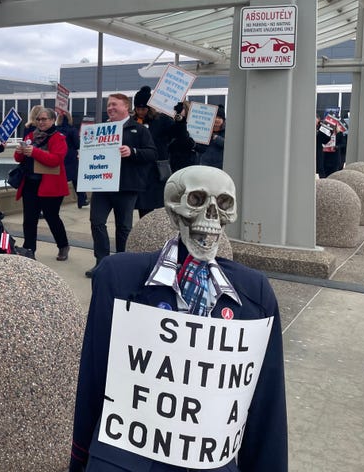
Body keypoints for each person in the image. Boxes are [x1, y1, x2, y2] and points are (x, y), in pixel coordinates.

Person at [70, 166, 287, 471]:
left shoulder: (255, 295)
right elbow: (94, 383)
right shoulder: (117, 278)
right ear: (174, 211)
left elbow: (266, 409)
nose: (211, 216)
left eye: (222, 205)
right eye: (197, 201)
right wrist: (80, 460)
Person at [86, 94, 157, 277]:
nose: (110, 108)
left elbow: (151, 154)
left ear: (126, 107)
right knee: (97, 222)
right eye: (108, 105)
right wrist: (86, 157)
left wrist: (132, 151)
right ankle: (101, 262)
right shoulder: (100, 129)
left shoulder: (139, 130)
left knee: (124, 227)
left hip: (127, 185)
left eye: (114, 104)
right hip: (102, 184)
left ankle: (122, 263)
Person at [13, 107, 71, 261]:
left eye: (44, 119)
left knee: (52, 217)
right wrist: (19, 151)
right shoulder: (31, 135)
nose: (41, 122)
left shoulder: (58, 137)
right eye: (38, 119)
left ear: (52, 120)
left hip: (50, 186)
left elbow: (55, 160)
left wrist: (34, 152)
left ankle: (63, 245)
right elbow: (18, 159)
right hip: (31, 184)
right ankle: (29, 249)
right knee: (29, 219)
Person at [132, 86, 174, 217]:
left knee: (159, 206)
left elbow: (176, 133)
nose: (140, 112)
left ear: (149, 108)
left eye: (143, 109)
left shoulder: (162, 121)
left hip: (156, 170)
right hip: (139, 170)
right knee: (143, 208)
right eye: (138, 109)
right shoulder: (133, 122)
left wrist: (178, 117)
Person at [57, 112, 88, 209]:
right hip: (70, 157)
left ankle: (56, 202)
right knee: (77, 180)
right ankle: (82, 200)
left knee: (59, 181)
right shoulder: (72, 130)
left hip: (59, 157)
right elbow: (77, 144)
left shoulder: (55, 130)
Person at [167, 101, 199, 172]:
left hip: (189, 162)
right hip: (175, 162)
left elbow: (200, 147)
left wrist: (193, 144)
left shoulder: (194, 125)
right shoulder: (173, 124)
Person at [197, 104, 226, 169]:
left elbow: (228, 145)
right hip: (204, 165)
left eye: (219, 118)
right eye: (215, 117)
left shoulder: (227, 131)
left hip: (220, 166)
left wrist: (215, 137)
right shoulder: (204, 130)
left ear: (223, 120)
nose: (217, 120)